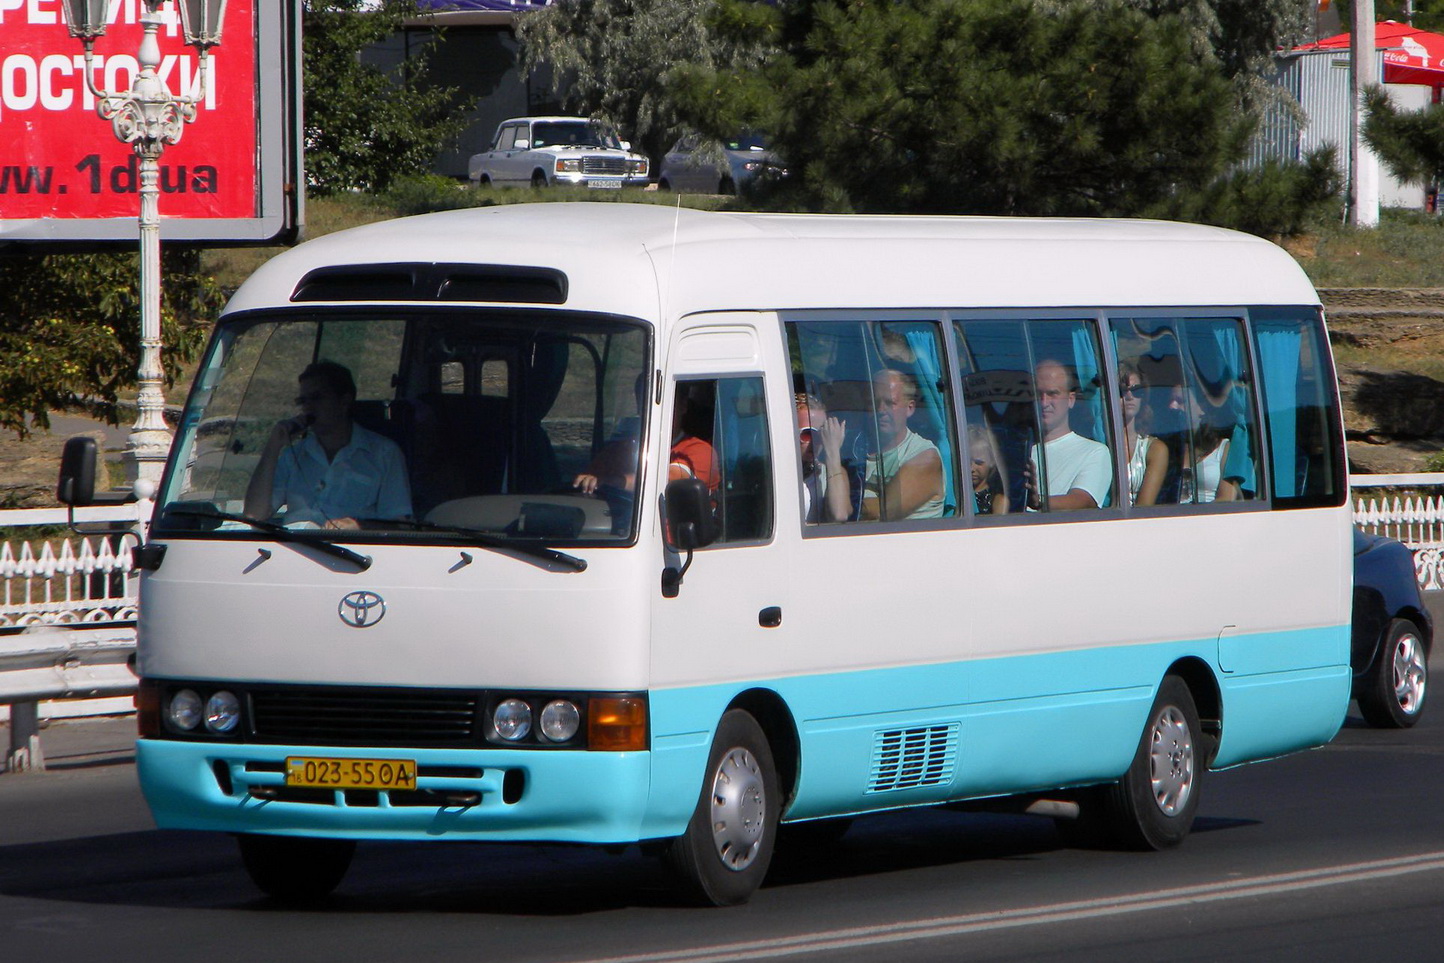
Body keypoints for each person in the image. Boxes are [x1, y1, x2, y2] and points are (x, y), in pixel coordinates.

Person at [243, 360, 412, 529]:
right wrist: (273, 447)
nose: (308, 407)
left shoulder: (384, 454)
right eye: (303, 401)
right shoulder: (293, 455)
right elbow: (254, 515)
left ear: (344, 401)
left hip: (350, 551)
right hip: (293, 549)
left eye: (317, 398)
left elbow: (399, 525)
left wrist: (359, 526)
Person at [859, 368, 945, 521]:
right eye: (874, 402)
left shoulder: (925, 456)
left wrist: (836, 499)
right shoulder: (852, 449)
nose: (881, 410)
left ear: (910, 408)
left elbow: (880, 512)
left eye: (890, 403)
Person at [1026, 359, 1111, 511]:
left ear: (1071, 400)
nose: (1044, 402)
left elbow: (1083, 501)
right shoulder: (1017, 450)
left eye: (1053, 394)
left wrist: (1037, 501)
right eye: (1038, 394)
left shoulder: (1094, 452)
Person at [1168, 384, 1235, 503]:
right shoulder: (1167, 447)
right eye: (1170, 401)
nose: (1172, 406)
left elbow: (1227, 498)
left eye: (1181, 401)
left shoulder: (1223, 448)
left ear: (1202, 407)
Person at [797, 392, 852, 523]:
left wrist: (833, 451)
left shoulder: (833, 473)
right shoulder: (773, 473)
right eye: (807, 434)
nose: (816, 441)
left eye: (823, 434)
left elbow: (839, 515)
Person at [1119, 361, 1168, 506]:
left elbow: (1144, 507)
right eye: (1121, 390)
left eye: (1136, 390)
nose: (1129, 396)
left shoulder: (1154, 449)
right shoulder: (1098, 444)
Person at [967, 423, 1009, 515]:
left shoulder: (998, 501)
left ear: (992, 462)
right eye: (966, 462)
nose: (971, 468)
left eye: (978, 463)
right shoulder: (956, 496)